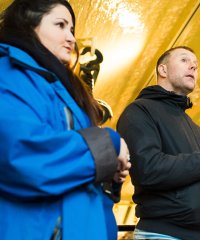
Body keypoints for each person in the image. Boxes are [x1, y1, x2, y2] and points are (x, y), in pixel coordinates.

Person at [0, 1, 130, 239]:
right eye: (60, 25)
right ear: (28, 26)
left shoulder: (60, 89)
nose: (71, 38)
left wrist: (109, 173)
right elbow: (21, 156)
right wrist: (108, 142)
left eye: (72, 30)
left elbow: (76, 172)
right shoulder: (7, 73)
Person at [117, 46, 200, 240]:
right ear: (162, 70)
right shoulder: (139, 112)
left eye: (196, 65)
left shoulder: (192, 126)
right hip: (164, 234)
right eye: (184, 60)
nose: (193, 67)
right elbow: (148, 170)